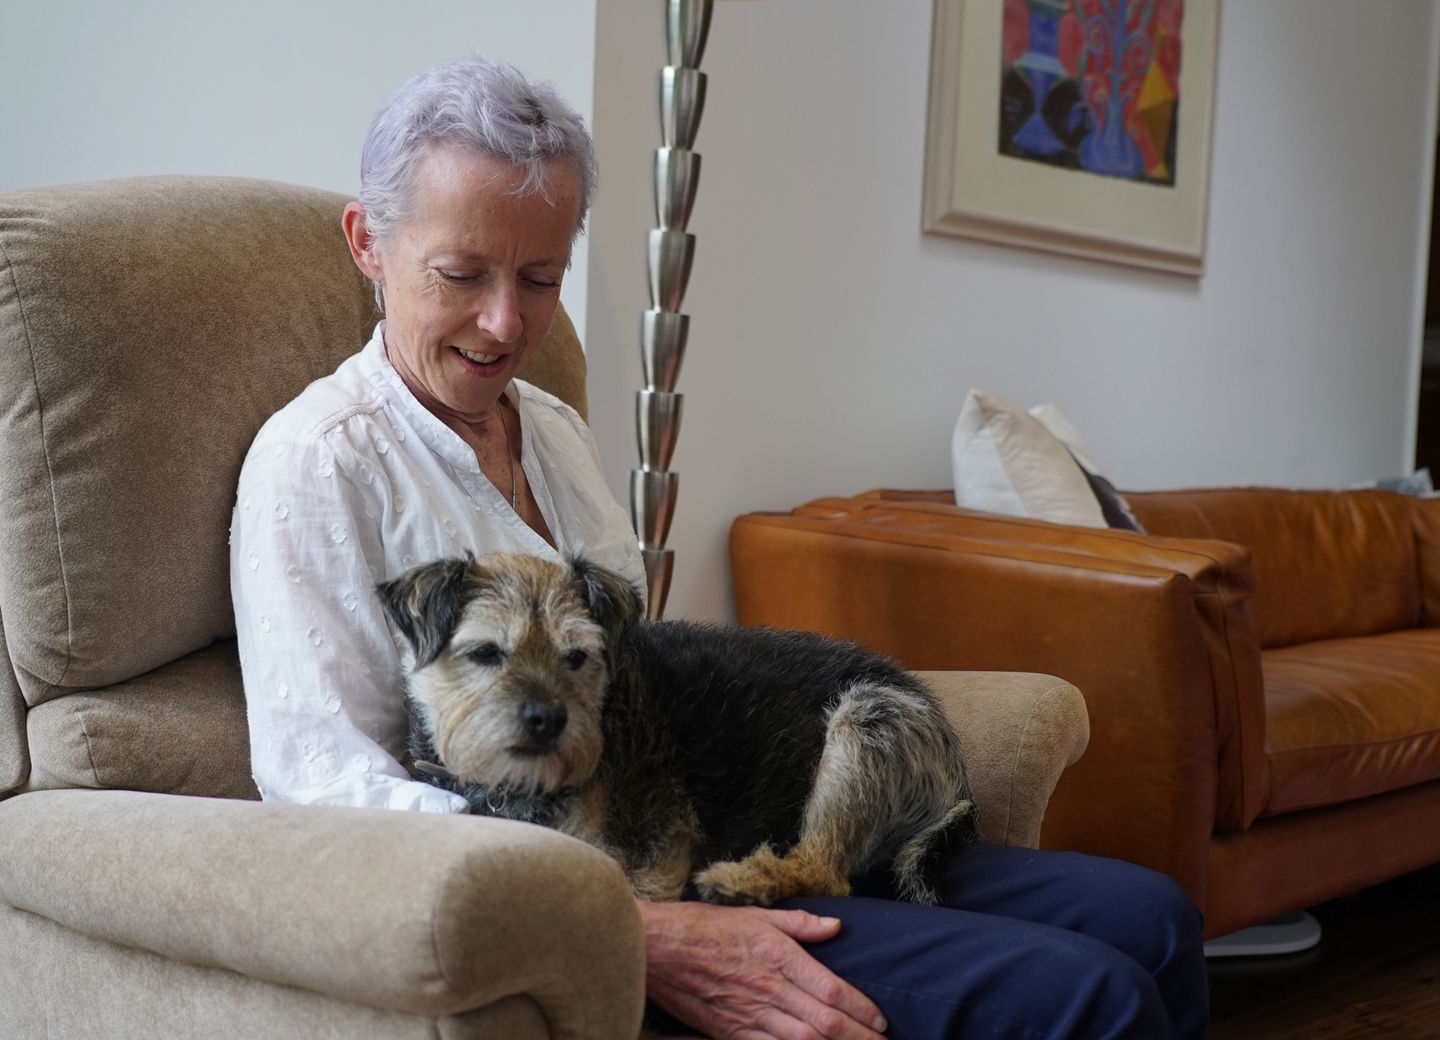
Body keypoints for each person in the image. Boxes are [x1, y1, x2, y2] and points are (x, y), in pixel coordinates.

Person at [231, 56, 1208, 1039]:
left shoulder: (555, 432)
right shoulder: (320, 466)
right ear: (368, 243)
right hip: (593, 885)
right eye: (461, 275)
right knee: (1094, 992)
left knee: (1158, 919)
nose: (504, 322)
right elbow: (328, 788)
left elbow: (642, 679)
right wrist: (633, 926)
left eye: (539, 280)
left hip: (710, 824)